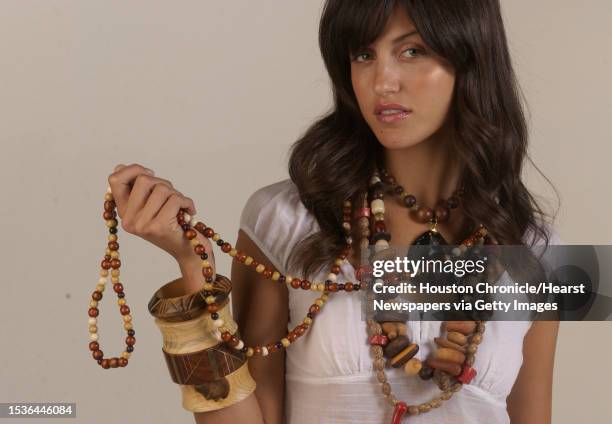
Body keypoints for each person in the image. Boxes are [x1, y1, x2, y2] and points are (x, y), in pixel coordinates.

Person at [107, 0, 560, 423]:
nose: (382, 81)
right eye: (363, 54)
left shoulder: (537, 250)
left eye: (413, 50)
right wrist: (194, 268)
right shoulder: (284, 220)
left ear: (473, 60)